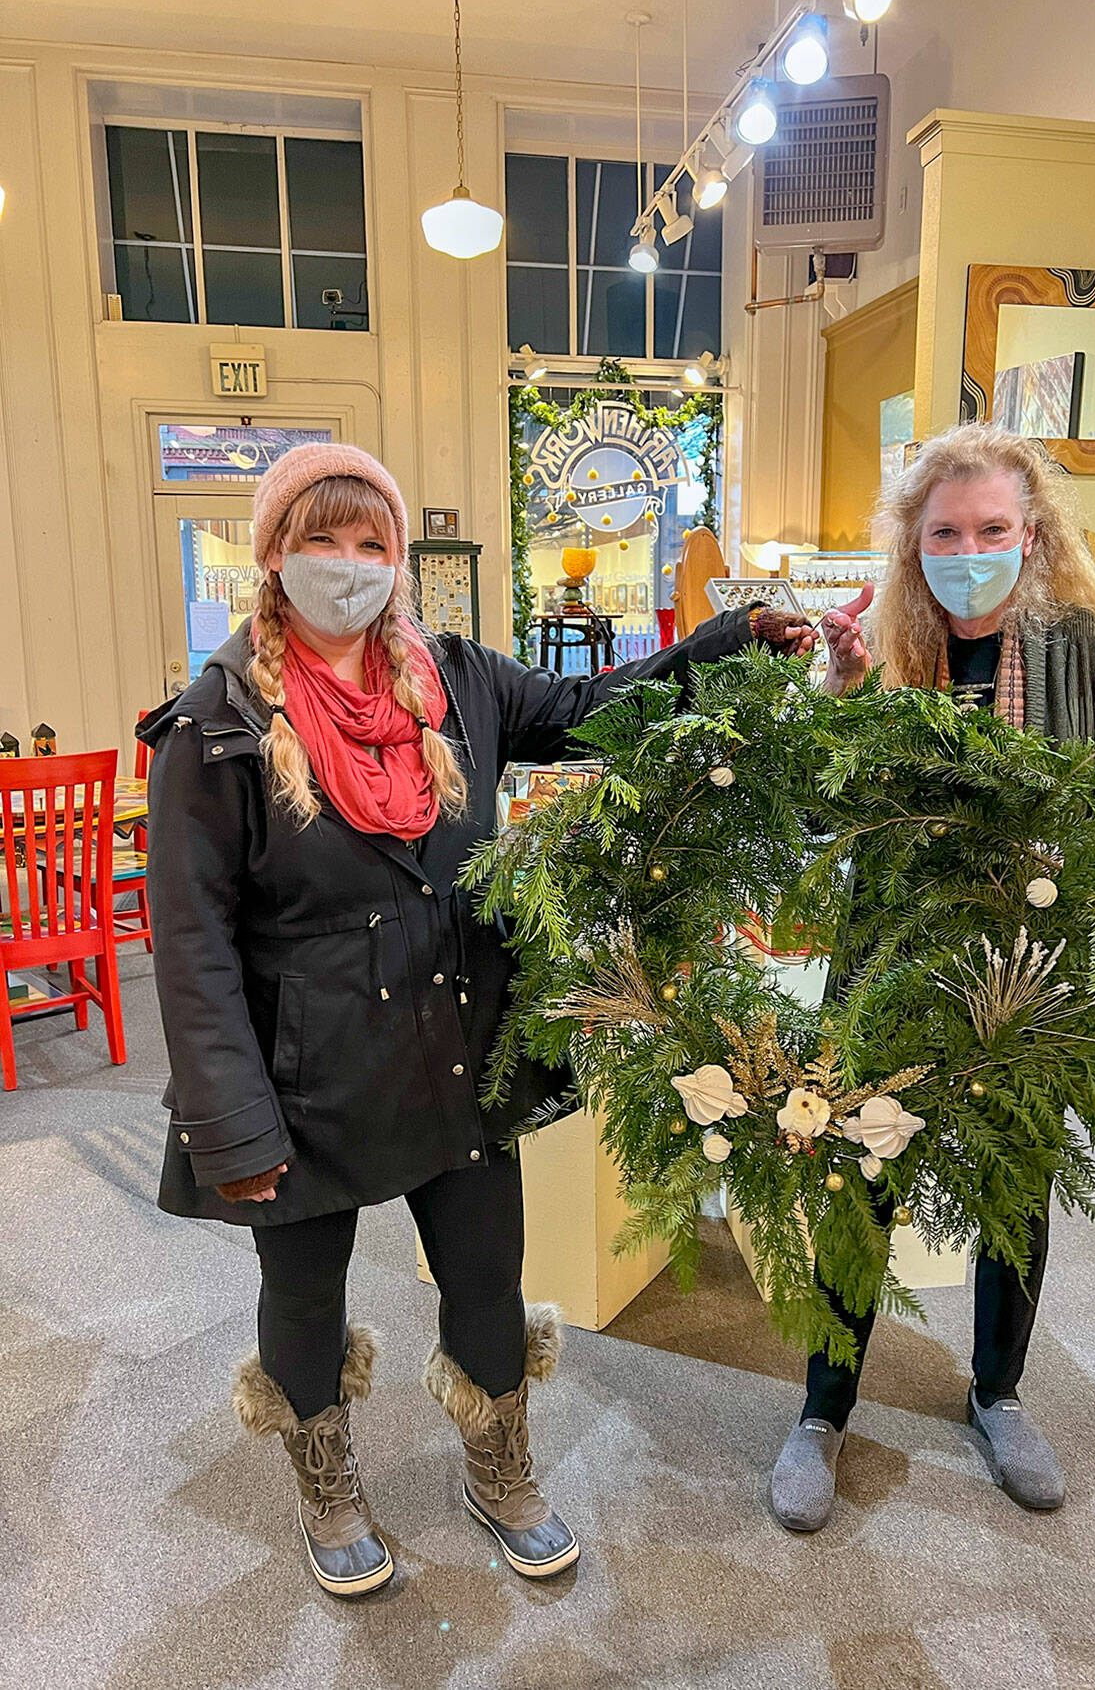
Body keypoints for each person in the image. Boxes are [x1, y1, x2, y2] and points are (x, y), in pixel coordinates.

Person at [141, 442, 819, 1598]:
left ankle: (499, 1470)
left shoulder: (455, 677)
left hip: (456, 1040)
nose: (348, 566)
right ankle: (328, 1486)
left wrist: (718, 647)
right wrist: (230, 1127)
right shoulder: (215, 725)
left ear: (397, 558)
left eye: (370, 543)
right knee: (304, 1291)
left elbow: (596, 710)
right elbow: (191, 942)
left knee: (484, 1276)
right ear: (272, 556)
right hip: (301, 1068)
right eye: (321, 540)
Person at [771, 421, 1095, 1531]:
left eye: (992, 528)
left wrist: (1047, 853)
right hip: (890, 957)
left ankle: (997, 1393)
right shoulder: (882, 647)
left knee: (1013, 1179)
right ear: (910, 544)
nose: (968, 548)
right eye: (944, 531)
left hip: (1019, 964)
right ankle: (819, 1410)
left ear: (1029, 532)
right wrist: (837, 699)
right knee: (860, 1174)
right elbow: (812, 811)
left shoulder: (1078, 645)